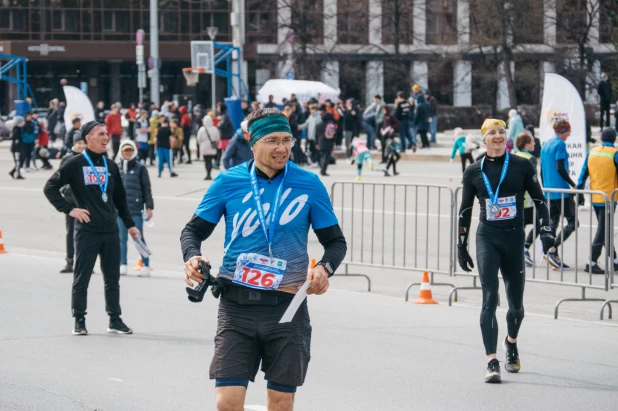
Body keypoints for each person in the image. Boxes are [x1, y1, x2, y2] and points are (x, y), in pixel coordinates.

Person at [180, 107, 347, 411]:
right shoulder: (227, 182)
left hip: (286, 308)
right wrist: (192, 257)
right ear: (251, 141)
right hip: (236, 308)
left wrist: (325, 268)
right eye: (272, 140)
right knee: (226, 403)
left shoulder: (309, 184)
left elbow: (335, 242)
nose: (282, 148)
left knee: (281, 404)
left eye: (287, 140)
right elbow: (192, 231)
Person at [458, 118, 554, 383]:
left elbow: (539, 200)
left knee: (516, 306)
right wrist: (461, 245)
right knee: (489, 299)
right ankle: (491, 362)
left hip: (513, 238)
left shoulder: (523, 165)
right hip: (487, 237)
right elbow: (465, 211)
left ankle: (511, 342)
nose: (498, 136)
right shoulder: (474, 171)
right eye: (492, 133)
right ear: (484, 139)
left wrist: (546, 231)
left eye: (501, 132)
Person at [43, 121, 140, 336]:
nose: (107, 137)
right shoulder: (74, 164)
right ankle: (79, 319)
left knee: (112, 278)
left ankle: (115, 319)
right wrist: (71, 210)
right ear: (88, 138)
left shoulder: (110, 165)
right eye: (101, 134)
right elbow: (50, 188)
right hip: (87, 230)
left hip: (110, 230)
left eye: (107, 134)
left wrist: (130, 225)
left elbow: (120, 199)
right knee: (82, 277)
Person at [577, 128, 618, 274]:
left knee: (604, 228)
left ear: (601, 138)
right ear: (614, 139)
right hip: (610, 198)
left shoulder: (592, 153)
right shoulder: (615, 154)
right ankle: (591, 261)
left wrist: (579, 193)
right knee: (602, 229)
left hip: (595, 197)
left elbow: (583, 174)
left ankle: (614, 260)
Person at [540, 119, 578, 269]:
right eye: (568, 131)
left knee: (553, 223)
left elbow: (542, 170)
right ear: (564, 130)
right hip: (562, 191)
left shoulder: (546, 145)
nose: (569, 134)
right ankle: (552, 249)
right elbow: (560, 167)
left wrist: (545, 186)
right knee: (573, 222)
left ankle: (554, 256)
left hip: (550, 190)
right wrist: (572, 183)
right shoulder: (560, 144)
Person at [117, 140, 154, 277]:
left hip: (136, 209)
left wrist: (149, 207)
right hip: (120, 211)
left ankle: (145, 264)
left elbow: (147, 189)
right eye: (125, 150)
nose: (127, 153)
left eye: (130, 150)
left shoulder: (140, 168)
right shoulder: (117, 167)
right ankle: (123, 264)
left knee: (138, 238)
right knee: (121, 238)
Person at [58, 131, 87, 273]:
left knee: (86, 233)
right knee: (71, 232)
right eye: (79, 143)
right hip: (71, 202)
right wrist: (68, 190)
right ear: (74, 144)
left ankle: (85, 262)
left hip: (87, 202)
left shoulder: (90, 158)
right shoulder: (67, 159)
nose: (81, 146)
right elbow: (59, 181)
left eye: (83, 143)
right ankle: (69, 261)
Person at [514, 132, 540, 267]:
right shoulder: (530, 158)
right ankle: (524, 249)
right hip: (527, 200)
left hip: (515, 198)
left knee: (520, 226)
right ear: (526, 143)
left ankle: (517, 252)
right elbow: (533, 181)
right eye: (532, 141)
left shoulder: (514, 155)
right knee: (539, 223)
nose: (535, 143)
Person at [197, 115, 221, 180]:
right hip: (212, 148)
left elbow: (199, 139)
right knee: (210, 161)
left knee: (206, 161)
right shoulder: (215, 129)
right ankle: (209, 173)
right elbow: (218, 138)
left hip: (204, 148)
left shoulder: (201, 129)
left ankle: (207, 174)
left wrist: (200, 144)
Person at [317, 108, 337, 176]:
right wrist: (334, 143)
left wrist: (316, 143)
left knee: (322, 156)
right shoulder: (331, 125)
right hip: (328, 143)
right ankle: (323, 170)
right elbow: (334, 135)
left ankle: (321, 168)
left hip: (320, 143)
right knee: (326, 157)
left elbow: (316, 134)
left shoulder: (319, 124)